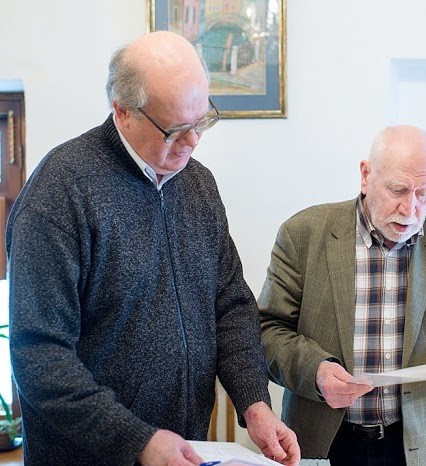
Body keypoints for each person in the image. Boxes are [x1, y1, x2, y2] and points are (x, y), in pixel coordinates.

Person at [6, 31, 299, 466]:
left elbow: (231, 306)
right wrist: (137, 441)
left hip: (186, 450)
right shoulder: (62, 190)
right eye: (176, 129)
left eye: (203, 120)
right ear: (123, 111)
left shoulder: (199, 185)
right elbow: (39, 355)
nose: (193, 141)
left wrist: (254, 403)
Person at [258, 125, 426, 465]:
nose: (410, 209)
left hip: (421, 446)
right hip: (324, 439)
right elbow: (267, 331)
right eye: (398, 190)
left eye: (423, 193)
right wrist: (315, 371)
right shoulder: (302, 234)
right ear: (366, 175)